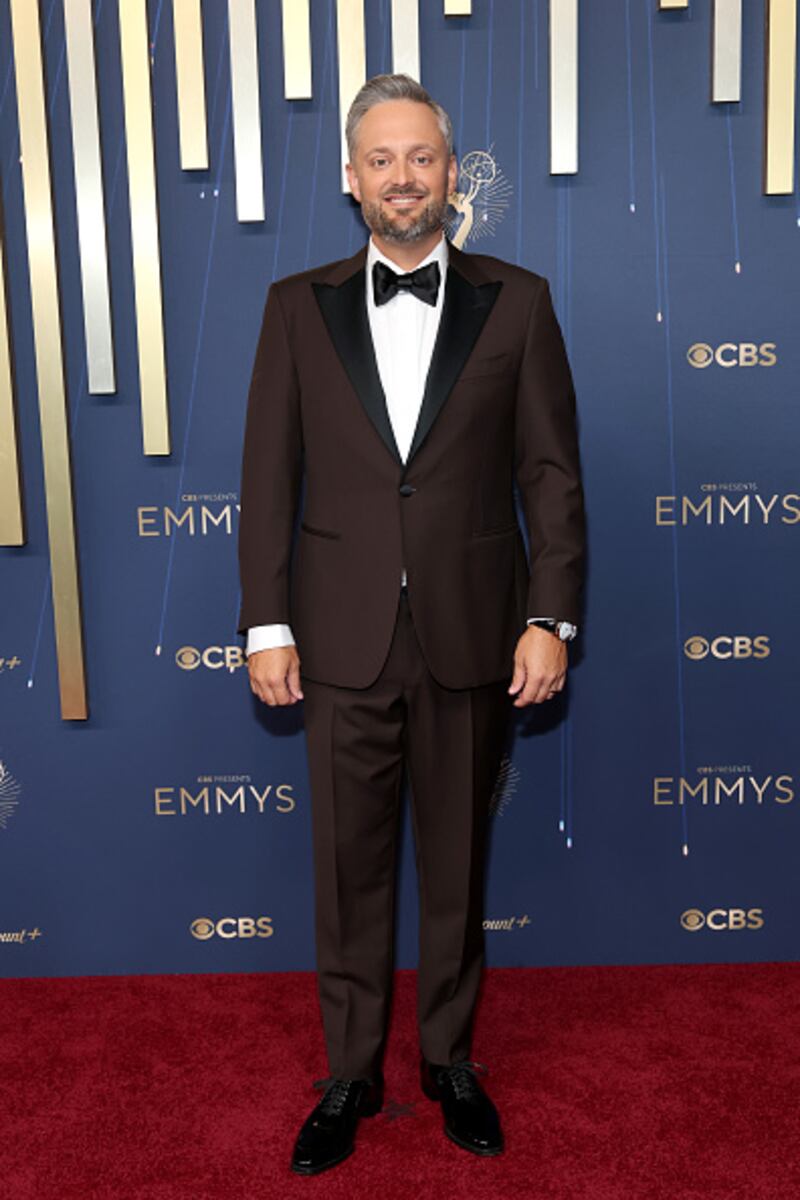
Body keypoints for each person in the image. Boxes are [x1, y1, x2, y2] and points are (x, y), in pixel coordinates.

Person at [237, 73, 586, 1176]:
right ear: (351, 179)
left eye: (420, 157)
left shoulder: (517, 301)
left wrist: (550, 618)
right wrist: (265, 626)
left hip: (473, 630)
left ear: (450, 171)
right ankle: (349, 1073)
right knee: (347, 874)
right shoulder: (294, 307)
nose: (402, 177)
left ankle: (448, 1061)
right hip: (337, 639)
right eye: (380, 159)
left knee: (456, 867)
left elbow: (550, 476)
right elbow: (266, 481)